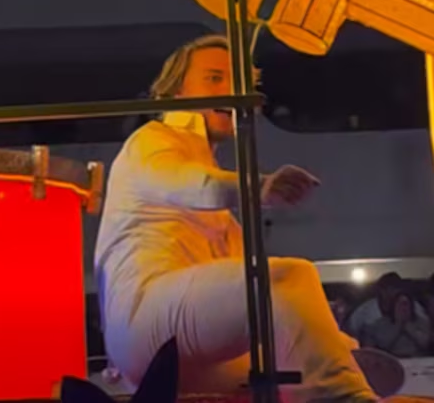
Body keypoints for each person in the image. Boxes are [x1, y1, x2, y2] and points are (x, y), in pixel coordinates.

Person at [94, 34, 426, 403]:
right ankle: (344, 395)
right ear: (174, 92)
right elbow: (182, 183)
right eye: (215, 78)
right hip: (145, 323)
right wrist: (259, 186)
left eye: (238, 83)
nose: (230, 91)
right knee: (287, 278)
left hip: (181, 350)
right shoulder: (152, 140)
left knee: (286, 358)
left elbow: (241, 276)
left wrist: (327, 336)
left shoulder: (213, 194)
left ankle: (336, 366)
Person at [362, 290, 430, 359]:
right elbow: (383, 345)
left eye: (405, 304)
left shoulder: (422, 322)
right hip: (392, 358)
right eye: (399, 304)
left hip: (416, 358)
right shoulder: (382, 323)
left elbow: (424, 343)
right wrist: (398, 325)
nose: (403, 308)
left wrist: (407, 326)